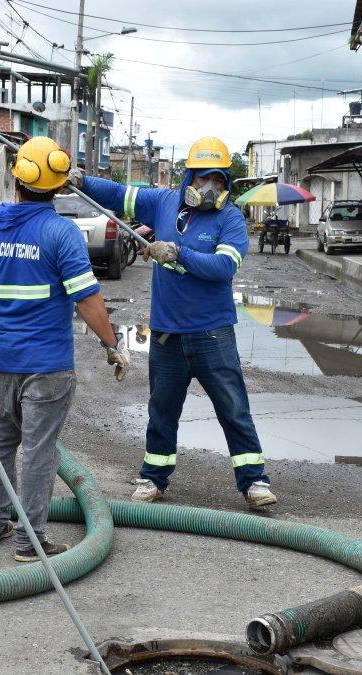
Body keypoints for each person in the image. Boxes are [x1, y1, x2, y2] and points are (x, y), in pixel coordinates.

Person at [70, 136, 277, 509]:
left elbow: (224, 267)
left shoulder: (230, 219)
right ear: (189, 178)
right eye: (203, 179)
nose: (211, 187)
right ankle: (153, 478)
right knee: (162, 410)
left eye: (218, 180)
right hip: (167, 335)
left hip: (212, 334)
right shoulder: (163, 202)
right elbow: (119, 195)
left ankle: (254, 481)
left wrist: (179, 253)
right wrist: (81, 180)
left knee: (233, 409)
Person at [0, 136, 130, 562]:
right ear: (60, 186)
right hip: (47, 366)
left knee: (2, 439)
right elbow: (87, 299)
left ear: (16, 178)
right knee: (39, 452)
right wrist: (111, 344)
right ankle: (30, 542)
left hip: (2, 363)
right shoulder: (60, 233)